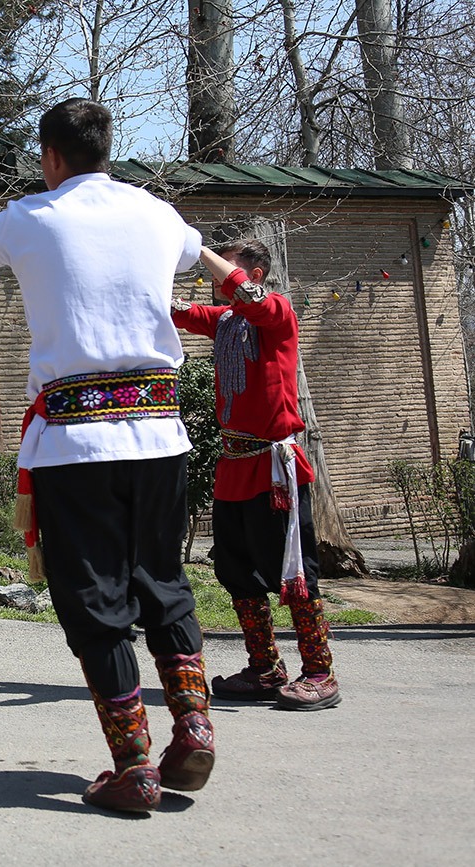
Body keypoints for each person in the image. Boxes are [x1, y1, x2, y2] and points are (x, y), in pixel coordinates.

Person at [0, 98, 213, 813]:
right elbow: (194, 248)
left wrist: (13, 213)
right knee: (162, 579)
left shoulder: (35, 215)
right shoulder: (155, 213)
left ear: (51, 155)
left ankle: (134, 763)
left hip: (77, 442)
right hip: (160, 433)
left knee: (95, 598)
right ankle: (193, 722)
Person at [173, 239, 341, 711]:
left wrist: (198, 248)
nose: (215, 276)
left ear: (257, 273)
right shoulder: (226, 320)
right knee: (235, 570)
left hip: (273, 468)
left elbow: (248, 296)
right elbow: (177, 311)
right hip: (234, 465)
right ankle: (265, 668)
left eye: (227, 267)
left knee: (294, 571)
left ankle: (320, 672)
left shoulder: (277, 312)